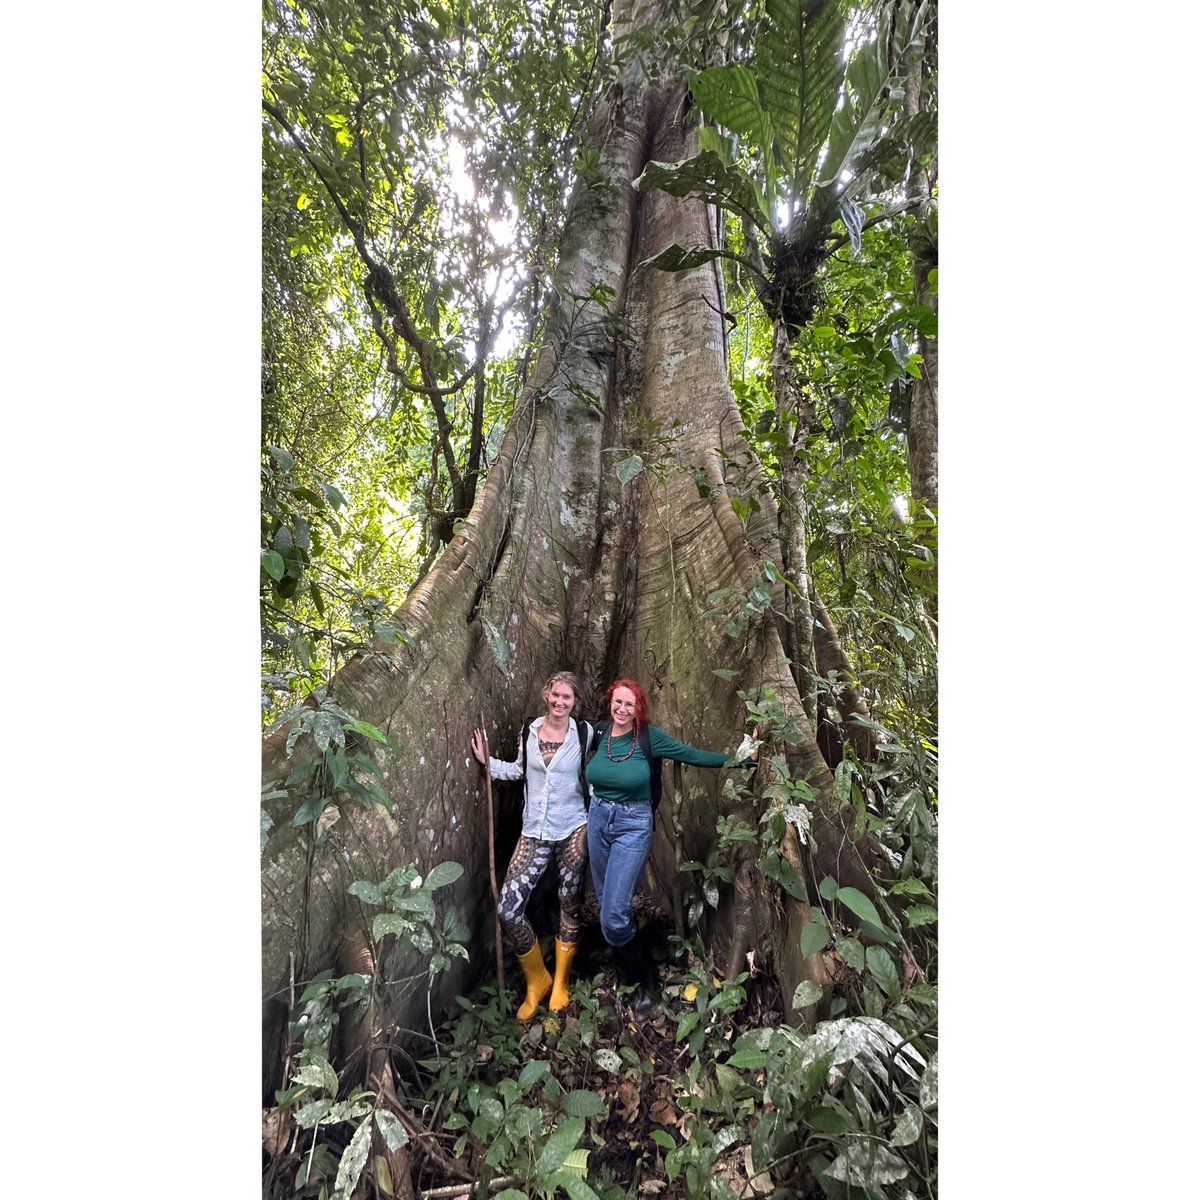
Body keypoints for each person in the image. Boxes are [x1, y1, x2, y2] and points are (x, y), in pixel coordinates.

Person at [585, 678, 757, 1018]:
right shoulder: (599, 733)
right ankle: (628, 974)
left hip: (632, 826)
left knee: (614, 915)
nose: (622, 709)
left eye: (629, 705)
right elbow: (562, 737)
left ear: (638, 709)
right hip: (597, 820)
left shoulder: (649, 737)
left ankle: (647, 982)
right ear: (610, 704)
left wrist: (741, 760)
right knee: (608, 907)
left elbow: (692, 754)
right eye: (617, 703)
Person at [471, 671, 594, 1021]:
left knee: (569, 903)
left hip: (573, 827)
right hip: (534, 830)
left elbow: (595, 777)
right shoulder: (530, 731)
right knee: (508, 908)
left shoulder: (583, 734)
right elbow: (520, 771)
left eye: (566, 698)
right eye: (555, 695)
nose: (559, 702)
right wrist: (487, 763)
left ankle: (561, 982)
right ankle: (537, 979)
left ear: (575, 702)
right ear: (546, 694)